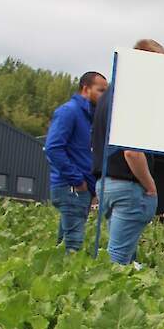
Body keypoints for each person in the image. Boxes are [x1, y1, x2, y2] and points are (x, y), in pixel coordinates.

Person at [92, 38, 164, 265]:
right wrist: (150, 186)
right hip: (128, 187)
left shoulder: (108, 94)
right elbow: (132, 152)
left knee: (119, 253)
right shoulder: (132, 97)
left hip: (106, 182)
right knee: (118, 260)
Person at [46, 71, 107, 252]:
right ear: (86, 89)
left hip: (79, 188)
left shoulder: (90, 116)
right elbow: (53, 148)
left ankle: (55, 275)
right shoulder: (69, 112)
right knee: (73, 245)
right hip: (71, 187)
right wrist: (77, 180)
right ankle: (65, 278)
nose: (104, 95)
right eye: (100, 90)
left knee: (64, 242)